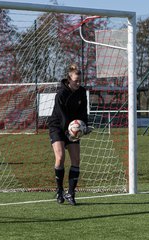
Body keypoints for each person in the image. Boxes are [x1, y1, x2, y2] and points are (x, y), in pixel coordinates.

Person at [48, 63, 90, 206]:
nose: (78, 83)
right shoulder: (61, 94)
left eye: (80, 81)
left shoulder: (82, 92)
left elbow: (83, 111)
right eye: (75, 81)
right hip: (58, 127)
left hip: (73, 128)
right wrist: (69, 131)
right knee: (60, 158)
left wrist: (84, 126)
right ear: (69, 79)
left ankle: (71, 193)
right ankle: (59, 190)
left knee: (76, 160)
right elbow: (62, 116)